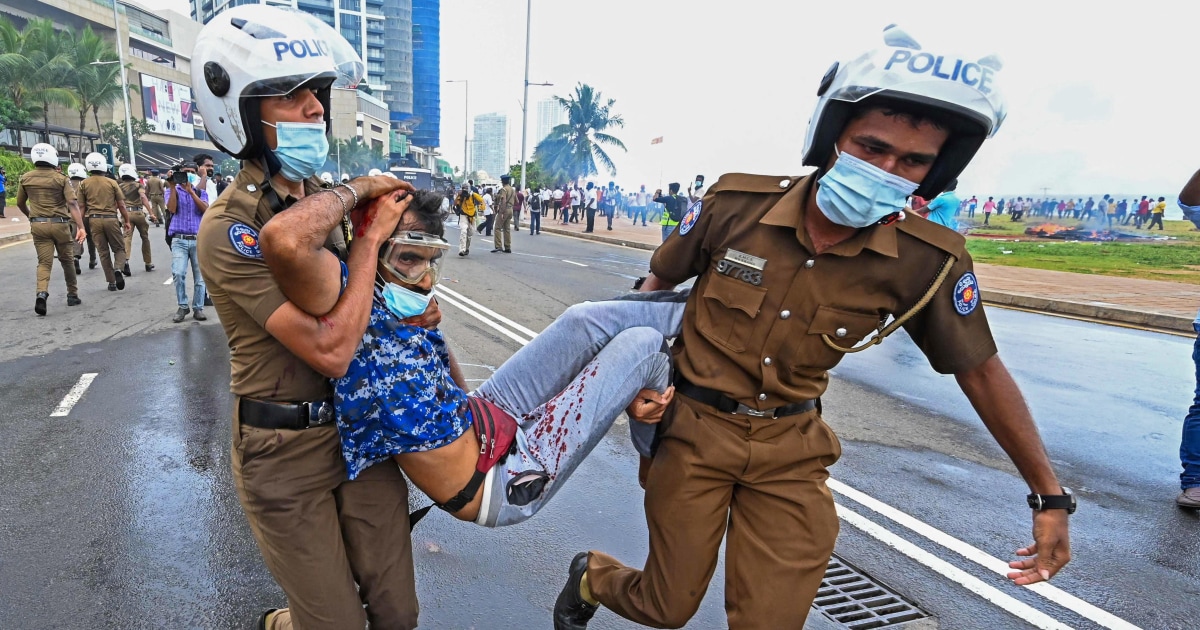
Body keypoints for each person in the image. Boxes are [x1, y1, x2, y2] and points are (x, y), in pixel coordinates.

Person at [553, 27, 1073, 630]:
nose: (886, 169)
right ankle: (594, 576)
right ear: (831, 139)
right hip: (691, 434)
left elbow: (981, 370)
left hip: (791, 452)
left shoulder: (928, 261)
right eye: (871, 147)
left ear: (934, 174)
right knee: (665, 607)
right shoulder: (733, 205)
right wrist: (635, 386)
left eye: (912, 161)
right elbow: (651, 295)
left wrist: (1049, 496)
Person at [191, 6, 421, 628]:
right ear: (242, 113)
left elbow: (375, 308)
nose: (316, 108)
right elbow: (330, 350)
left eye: (316, 93)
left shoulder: (323, 198)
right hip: (282, 448)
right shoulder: (230, 227)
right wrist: (367, 238)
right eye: (292, 97)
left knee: (398, 614)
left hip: (357, 429)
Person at [264, 189, 682, 529]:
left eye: (431, 262)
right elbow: (282, 239)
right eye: (408, 258)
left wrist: (430, 333)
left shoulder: (404, 304)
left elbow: (445, 374)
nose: (425, 279)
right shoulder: (345, 291)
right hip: (500, 479)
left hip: (480, 416)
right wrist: (367, 205)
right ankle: (654, 462)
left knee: (583, 319)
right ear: (371, 246)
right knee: (642, 345)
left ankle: (702, 312)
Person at [16, 143, 86, 315]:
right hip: (60, 224)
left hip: (38, 225)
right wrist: (81, 227)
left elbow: (19, 202)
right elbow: (72, 203)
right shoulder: (61, 179)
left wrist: (31, 215)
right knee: (67, 260)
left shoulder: (26, 178)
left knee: (44, 263)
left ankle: (41, 292)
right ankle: (72, 294)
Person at [77, 152, 131, 292]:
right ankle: (118, 268)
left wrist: (80, 226)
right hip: (111, 219)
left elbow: (81, 207)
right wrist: (127, 220)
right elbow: (121, 205)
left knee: (103, 252)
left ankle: (111, 282)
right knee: (119, 248)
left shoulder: (83, 183)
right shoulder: (112, 182)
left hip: (93, 220)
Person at [166, 162, 209, 322]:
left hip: (198, 240)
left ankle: (198, 308)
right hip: (179, 240)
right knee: (178, 273)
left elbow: (205, 209)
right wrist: (171, 187)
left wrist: (191, 192)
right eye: (185, 172)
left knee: (200, 278)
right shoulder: (172, 190)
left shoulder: (200, 191)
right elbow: (171, 209)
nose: (188, 175)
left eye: (192, 172)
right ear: (179, 174)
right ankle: (183, 306)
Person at [117, 163, 155, 275]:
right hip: (138, 213)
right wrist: (151, 213)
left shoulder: (119, 187)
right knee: (145, 238)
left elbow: (117, 202)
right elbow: (143, 197)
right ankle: (148, 263)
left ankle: (125, 261)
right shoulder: (139, 185)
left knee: (127, 238)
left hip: (126, 214)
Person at [454, 182, 483, 256]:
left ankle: (466, 248)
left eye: (466, 188)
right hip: (463, 215)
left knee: (470, 234)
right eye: (463, 188)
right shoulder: (460, 196)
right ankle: (462, 249)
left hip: (471, 217)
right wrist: (458, 195)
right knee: (463, 230)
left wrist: (480, 207)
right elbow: (455, 204)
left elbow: (481, 201)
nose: (465, 190)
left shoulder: (473, 195)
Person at [491, 174, 516, 253]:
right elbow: (517, 200)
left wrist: (501, 212)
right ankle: (507, 247)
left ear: (502, 181)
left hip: (504, 210)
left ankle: (498, 246)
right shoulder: (512, 189)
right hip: (510, 209)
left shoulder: (503, 190)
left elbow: (503, 201)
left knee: (497, 228)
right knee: (507, 229)